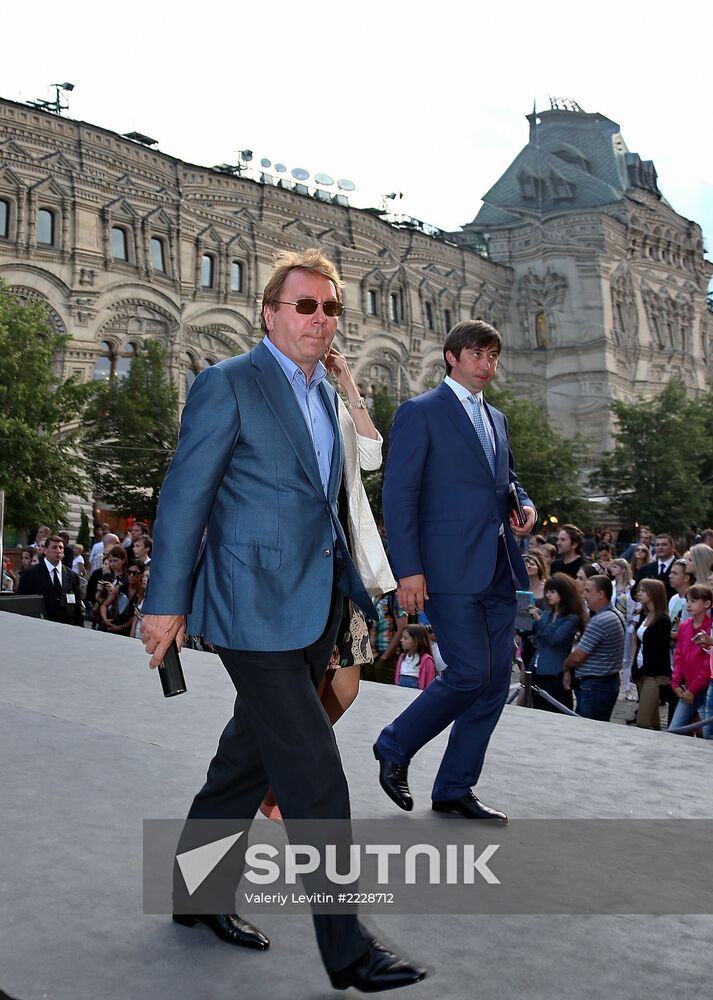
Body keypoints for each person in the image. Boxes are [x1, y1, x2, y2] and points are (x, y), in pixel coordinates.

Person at [140, 248, 424, 993]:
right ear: (270, 313)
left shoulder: (324, 394)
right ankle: (348, 950)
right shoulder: (228, 382)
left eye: (330, 308)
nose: (320, 319)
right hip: (248, 607)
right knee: (313, 773)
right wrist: (164, 602)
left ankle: (194, 896)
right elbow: (185, 495)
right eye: (305, 306)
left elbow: (335, 499)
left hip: (311, 606)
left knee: (245, 764)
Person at [375, 318, 536, 824]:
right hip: (445, 571)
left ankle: (454, 787)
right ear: (452, 356)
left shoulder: (497, 419)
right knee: (469, 672)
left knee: (493, 683)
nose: (487, 365)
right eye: (477, 355)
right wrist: (408, 570)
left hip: (498, 567)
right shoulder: (420, 412)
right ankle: (394, 745)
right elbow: (399, 495)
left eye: (493, 357)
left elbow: (506, 480)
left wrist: (524, 505)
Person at [564, 575, 624, 722]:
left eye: (588, 591)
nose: (584, 596)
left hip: (596, 685)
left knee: (588, 726)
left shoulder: (600, 621)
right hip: (605, 682)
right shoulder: (615, 614)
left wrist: (565, 666)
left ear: (601, 594)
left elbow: (578, 656)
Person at [528, 573, 587, 712]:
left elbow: (554, 639)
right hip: (537, 667)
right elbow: (531, 634)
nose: (548, 595)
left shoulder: (571, 618)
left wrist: (537, 620)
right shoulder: (546, 614)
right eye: (547, 591)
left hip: (554, 671)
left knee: (554, 708)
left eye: (553, 592)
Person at [669, 584, 713, 733]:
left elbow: (707, 664)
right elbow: (679, 656)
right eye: (687, 600)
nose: (688, 605)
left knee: (707, 733)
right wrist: (675, 682)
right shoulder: (684, 627)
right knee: (675, 729)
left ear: (706, 604)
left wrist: (693, 690)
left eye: (693, 601)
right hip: (688, 687)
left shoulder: (710, 629)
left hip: (705, 688)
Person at [630, 579, 672, 730]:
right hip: (642, 670)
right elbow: (640, 643)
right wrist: (634, 667)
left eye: (643, 591)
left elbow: (658, 653)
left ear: (653, 594)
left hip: (654, 674)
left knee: (643, 719)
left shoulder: (662, 621)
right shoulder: (645, 616)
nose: (639, 594)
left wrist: (640, 671)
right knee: (653, 719)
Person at [17, 535, 83, 625]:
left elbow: (77, 607)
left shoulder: (72, 576)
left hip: (67, 626)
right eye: (54, 547)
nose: (58, 551)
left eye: (61, 548)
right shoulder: (30, 574)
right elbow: (22, 603)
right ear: (45, 550)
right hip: (40, 624)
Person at [609, 558, 637, 700]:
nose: (612, 569)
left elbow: (637, 604)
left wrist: (634, 624)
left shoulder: (632, 586)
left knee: (627, 658)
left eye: (615, 567)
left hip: (628, 624)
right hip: (614, 623)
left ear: (623, 569)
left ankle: (628, 688)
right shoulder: (611, 585)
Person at [634, 533, 676, 599]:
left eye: (664, 545)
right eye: (657, 545)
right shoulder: (645, 569)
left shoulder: (682, 568)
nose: (660, 547)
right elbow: (635, 592)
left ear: (672, 547)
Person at [394, 625, 436, 689]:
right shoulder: (402, 657)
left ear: (416, 641)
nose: (401, 640)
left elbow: (429, 680)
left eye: (405, 638)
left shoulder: (427, 660)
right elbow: (397, 676)